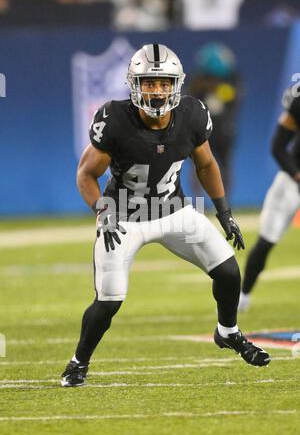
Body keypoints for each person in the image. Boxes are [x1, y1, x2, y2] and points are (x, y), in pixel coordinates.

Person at [61, 44, 270, 387]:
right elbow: (86, 174)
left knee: (229, 272)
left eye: (163, 83)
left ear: (176, 84)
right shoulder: (114, 119)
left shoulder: (192, 114)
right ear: (134, 84)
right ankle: (78, 362)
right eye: (149, 83)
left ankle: (228, 331)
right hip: (124, 218)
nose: (156, 91)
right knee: (109, 300)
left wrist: (225, 213)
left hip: (173, 211)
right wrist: (103, 211)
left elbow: (206, 164)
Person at [239, 86, 300, 312]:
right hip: (292, 181)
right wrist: (296, 174)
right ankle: (243, 296)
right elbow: (278, 147)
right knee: (267, 240)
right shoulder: (298, 101)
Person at [188, 42, 243, 194]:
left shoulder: (232, 81)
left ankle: (225, 204)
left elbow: (235, 103)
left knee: (224, 166)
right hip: (203, 130)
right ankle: (198, 203)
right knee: (198, 165)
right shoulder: (197, 83)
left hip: (224, 129)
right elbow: (190, 104)